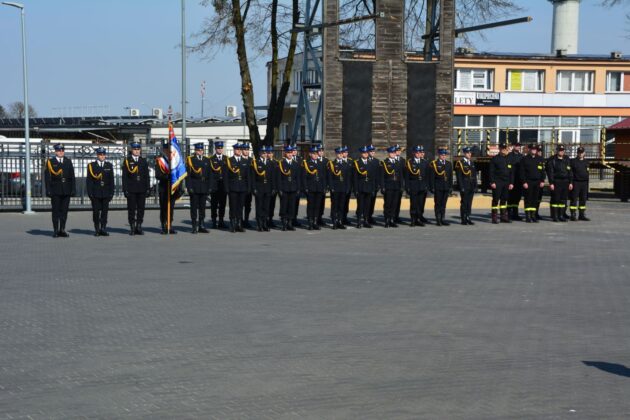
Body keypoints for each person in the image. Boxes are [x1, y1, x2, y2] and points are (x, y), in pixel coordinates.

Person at [44, 143, 75, 238]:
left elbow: (72, 177)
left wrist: (73, 189)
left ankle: (62, 229)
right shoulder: (50, 162)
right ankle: (55, 230)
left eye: (62, 150)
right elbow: (47, 177)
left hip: (66, 190)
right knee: (56, 211)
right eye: (59, 150)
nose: (61, 152)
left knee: (64, 211)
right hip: (55, 190)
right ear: (55, 151)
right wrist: (48, 190)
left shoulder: (68, 161)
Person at [122, 142, 150, 235]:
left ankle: (139, 226)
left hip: (142, 189)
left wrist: (148, 188)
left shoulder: (143, 161)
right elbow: (124, 176)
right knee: (131, 209)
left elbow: (147, 176)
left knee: (141, 209)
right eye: (135, 149)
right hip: (131, 189)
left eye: (138, 149)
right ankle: (132, 227)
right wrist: (125, 189)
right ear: (131, 150)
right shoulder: (127, 161)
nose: (137, 151)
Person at [86, 147, 114, 236]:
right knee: (96, 212)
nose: (102, 156)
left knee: (105, 212)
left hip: (106, 192)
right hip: (96, 193)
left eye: (103, 154)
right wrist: (90, 193)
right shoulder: (92, 166)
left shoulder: (109, 165)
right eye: (100, 154)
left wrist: (111, 193)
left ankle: (103, 228)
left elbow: (111, 181)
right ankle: (97, 229)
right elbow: (89, 181)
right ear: (97, 155)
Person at [186, 142, 213, 233]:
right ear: (195, 151)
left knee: (202, 207)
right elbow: (188, 176)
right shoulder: (191, 160)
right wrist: (189, 187)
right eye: (198, 150)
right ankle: (194, 226)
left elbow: (210, 175)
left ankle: (201, 225)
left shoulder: (207, 160)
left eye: (201, 150)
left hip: (204, 186)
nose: (200, 152)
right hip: (195, 186)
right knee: (194, 207)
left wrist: (209, 187)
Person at [224, 143, 252, 232]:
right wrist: (227, 188)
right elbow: (226, 176)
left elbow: (248, 176)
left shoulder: (245, 161)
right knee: (233, 206)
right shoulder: (229, 161)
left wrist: (248, 187)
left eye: (240, 150)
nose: (239, 151)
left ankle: (239, 224)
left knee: (240, 207)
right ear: (234, 150)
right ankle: (232, 224)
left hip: (242, 187)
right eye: (237, 149)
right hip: (233, 187)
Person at [302, 146, 327, 230]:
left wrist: (324, 187)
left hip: (319, 188)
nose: (316, 155)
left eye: (317, 154)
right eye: (314, 154)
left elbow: (323, 177)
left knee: (317, 206)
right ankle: (310, 222)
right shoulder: (307, 163)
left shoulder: (321, 163)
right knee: (310, 206)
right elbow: (304, 177)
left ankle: (315, 222)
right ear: (310, 154)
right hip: (311, 188)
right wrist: (305, 188)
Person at [276, 145, 301, 231]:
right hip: (284, 188)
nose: (290, 154)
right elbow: (278, 178)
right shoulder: (281, 163)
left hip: (293, 188)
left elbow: (298, 178)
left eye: (291, 152)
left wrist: (298, 189)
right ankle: (284, 223)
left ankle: (290, 223)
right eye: (288, 152)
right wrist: (279, 189)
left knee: (291, 206)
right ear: (285, 153)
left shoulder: (296, 164)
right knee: (284, 206)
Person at [520, 143, 546, 223]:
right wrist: (524, 182)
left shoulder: (540, 159)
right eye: (532, 149)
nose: (533, 150)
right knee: (528, 199)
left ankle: (533, 215)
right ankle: (528, 216)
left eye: (535, 149)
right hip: (528, 182)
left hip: (537, 182)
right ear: (529, 150)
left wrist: (542, 180)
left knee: (535, 199)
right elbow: (522, 172)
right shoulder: (524, 159)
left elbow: (542, 171)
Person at [546, 144, 573, 222]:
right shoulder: (553, 160)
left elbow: (570, 171)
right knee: (555, 200)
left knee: (563, 200)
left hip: (565, 182)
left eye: (562, 150)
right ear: (557, 151)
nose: (561, 152)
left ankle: (561, 215)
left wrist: (570, 182)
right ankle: (555, 216)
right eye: (559, 150)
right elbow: (550, 172)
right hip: (556, 182)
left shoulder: (567, 159)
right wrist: (551, 183)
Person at [155, 141, 177, 234]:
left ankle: (170, 225)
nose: (168, 151)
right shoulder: (160, 161)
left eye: (169, 150)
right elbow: (158, 175)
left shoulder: (174, 161)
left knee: (171, 207)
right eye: (166, 149)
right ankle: (164, 225)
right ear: (164, 150)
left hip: (172, 188)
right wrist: (166, 177)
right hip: (163, 188)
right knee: (164, 207)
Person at [489, 143, 514, 224]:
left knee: (504, 200)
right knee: (496, 200)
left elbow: (511, 172)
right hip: (497, 182)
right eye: (502, 148)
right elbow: (491, 172)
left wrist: (511, 183)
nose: (504, 149)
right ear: (499, 149)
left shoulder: (508, 159)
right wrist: (492, 182)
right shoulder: (495, 159)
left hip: (506, 182)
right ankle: (494, 217)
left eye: (505, 148)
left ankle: (503, 216)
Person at [404, 145, 430, 227]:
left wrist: (427, 186)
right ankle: (413, 219)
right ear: (413, 153)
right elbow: (407, 176)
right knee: (413, 204)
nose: (418, 154)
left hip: (422, 185)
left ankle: (418, 219)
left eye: (419, 152)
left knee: (420, 204)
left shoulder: (424, 162)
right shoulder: (410, 162)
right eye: (417, 152)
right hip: (413, 185)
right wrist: (407, 187)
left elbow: (427, 176)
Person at [327, 147, 351, 230]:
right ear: (336, 154)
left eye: (341, 153)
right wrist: (331, 187)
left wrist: (348, 187)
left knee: (342, 206)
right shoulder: (332, 164)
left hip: (343, 188)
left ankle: (340, 221)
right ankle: (334, 221)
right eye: (339, 154)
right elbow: (330, 177)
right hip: (335, 188)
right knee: (335, 206)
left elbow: (348, 178)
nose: (340, 155)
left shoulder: (346, 164)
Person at [251, 145, 275, 231]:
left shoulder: (270, 163)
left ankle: (265, 223)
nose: (265, 154)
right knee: (259, 207)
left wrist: (273, 188)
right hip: (259, 188)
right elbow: (253, 177)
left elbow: (272, 177)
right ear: (260, 153)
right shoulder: (256, 163)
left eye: (266, 153)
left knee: (266, 207)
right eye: (263, 152)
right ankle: (259, 224)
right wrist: (254, 188)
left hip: (268, 188)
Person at [353, 146, 378, 228]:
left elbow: (373, 177)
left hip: (369, 187)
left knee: (367, 205)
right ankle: (359, 221)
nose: (366, 154)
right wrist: (355, 189)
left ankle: (366, 221)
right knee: (360, 205)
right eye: (364, 153)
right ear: (361, 154)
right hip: (361, 187)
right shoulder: (357, 163)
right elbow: (355, 178)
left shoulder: (370, 163)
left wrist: (374, 188)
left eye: (367, 153)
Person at [429, 148, 453, 226]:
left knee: (444, 204)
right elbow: (432, 177)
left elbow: (450, 177)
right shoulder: (435, 164)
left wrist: (450, 187)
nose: (443, 156)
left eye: (445, 155)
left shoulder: (449, 164)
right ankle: (438, 219)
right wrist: (432, 187)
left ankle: (443, 218)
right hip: (438, 187)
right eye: (442, 155)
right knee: (438, 203)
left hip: (446, 187)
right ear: (439, 155)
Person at [381, 145, 404, 228]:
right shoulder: (385, 163)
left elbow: (400, 176)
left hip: (396, 186)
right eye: (391, 153)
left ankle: (392, 219)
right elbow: (382, 176)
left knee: (394, 204)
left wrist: (401, 186)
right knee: (388, 204)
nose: (393, 154)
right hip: (388, 186)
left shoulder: (398, 162)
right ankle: (387, 220)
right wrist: (383, 187)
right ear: (389, 153)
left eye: (394, 152)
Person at [455, 146, 477, 226]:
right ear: (464, 153)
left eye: (470, 153)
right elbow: (459, 177)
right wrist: (461, 187)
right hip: (465, 185)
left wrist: (475, 185)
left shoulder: (471, 162)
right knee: (464, 202)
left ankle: (468, 217)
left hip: (471, 185)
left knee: (469, 203)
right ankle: (463, 218)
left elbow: (474, 176)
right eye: (468, 153)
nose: (470, 154)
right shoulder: (460, 163)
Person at [209, 140, 228, 229]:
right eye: (218, 148)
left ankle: (221, 220)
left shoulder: (226, 159)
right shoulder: (211, 159)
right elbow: (210, 174)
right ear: (215, 149)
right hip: (214, 186)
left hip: (223, 185)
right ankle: (213, 221)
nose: (220, 149)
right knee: (214, 204)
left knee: (222, 204)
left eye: (221, 148)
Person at [570, 146, 590, 221]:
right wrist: (571, 183)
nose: (580, 154)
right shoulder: (573, 161)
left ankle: (581, 215)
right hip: (576, 182)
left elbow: (587, 173)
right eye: (579, 152)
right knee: (574, 199)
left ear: (584, 153)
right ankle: (573, 214)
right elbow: (571, 173)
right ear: (577, 153)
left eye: (581, 153)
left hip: (584, 183)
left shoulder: (586, 162)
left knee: (583, 199)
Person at [507, 142, 524, 220]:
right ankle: (508, 213)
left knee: (517, 197)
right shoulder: (509, 156)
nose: (518, 147)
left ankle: (515, 214)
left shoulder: (521, 156)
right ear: (514, 146)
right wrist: (510, 181)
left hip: (518, 180)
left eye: (519, 146)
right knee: (510, 197)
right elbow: (508, 168)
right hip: (511, 179)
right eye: (516, 146)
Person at [241, 142, 254, 228]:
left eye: (247, 150)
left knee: (248, 205)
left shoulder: (251, 161)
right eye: (245, 150)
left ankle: (246, 220)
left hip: (249, 186)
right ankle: (240, 220)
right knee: (240, 204)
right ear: (242, 151)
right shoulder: (240, 160)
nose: (246, 151)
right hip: (241, 186)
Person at [316, 144, 329, 226]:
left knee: (322, 203)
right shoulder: (313, 160)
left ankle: (320, 217)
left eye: (322, 151)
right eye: (319, 151)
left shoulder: (326, 161)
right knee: (315, 203)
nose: (321, 152)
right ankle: (315, 218)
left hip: (323, 185)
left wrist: (327, 185)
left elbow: (328, 174)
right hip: (315, 185)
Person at [366, 144, 380, 225]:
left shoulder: (376, 161)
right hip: (367, 185)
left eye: (373, 151)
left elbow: (378, 175)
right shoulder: (365, 160)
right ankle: (365, 217)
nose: (372, 152)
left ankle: (370, 216)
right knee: (366, 202)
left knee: (372, 202)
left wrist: (378, 185)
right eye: (371, 151)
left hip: (374, 185)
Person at [393, 144, 404, 224]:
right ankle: (391, 217)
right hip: (393, 183)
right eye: (397, 150)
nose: (398, 152)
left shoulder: (403, 160)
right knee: (392, 202)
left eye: (399, 150)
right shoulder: (392, 160)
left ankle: (396, 216)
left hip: (400, 183)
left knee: (398, 201)